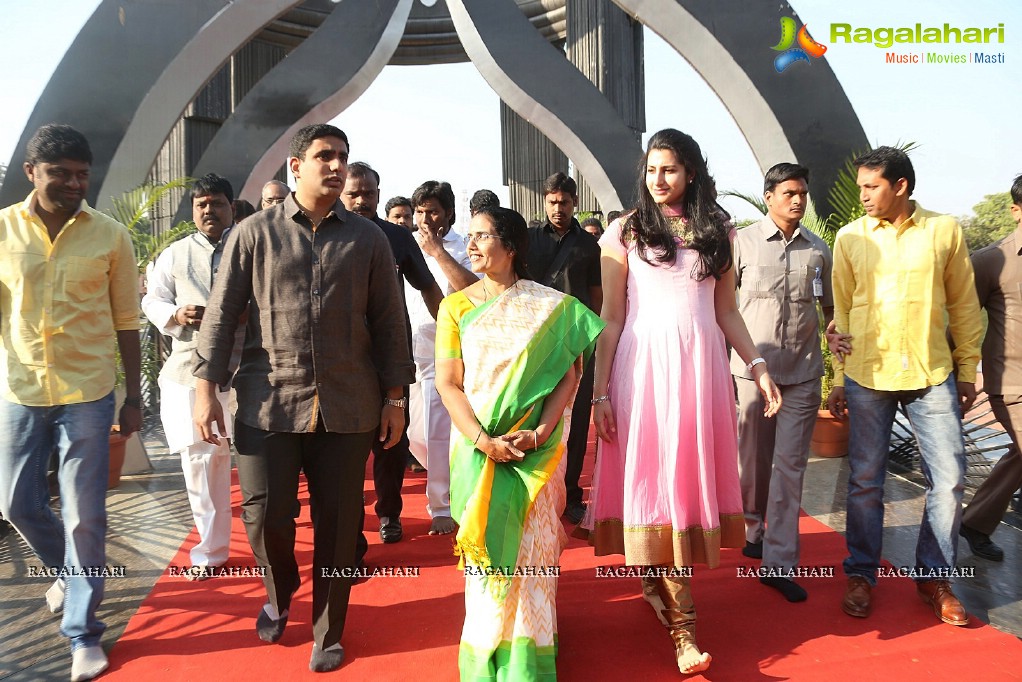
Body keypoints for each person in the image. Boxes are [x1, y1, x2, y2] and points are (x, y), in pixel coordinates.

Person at [193, 124, 414, 672]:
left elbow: (390, 321)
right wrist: (205, 390)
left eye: (342, 157)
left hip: (348, 405)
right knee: (266, 517)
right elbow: (221, 315)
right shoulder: (253, 235)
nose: (336, 166)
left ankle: (328, 628)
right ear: (296, 167)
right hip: (267, 402)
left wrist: (394, 397)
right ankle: (278, 587)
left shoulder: (369, 239)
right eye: (324, 157)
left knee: (340, 526)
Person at [584, 128, 781, 674]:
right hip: (643, 369)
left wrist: (757, 366)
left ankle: (658, 584)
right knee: (657, 483)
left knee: (680, 482)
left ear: (690, 171)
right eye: (651, 169)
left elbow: (727, 312)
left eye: (669, 169)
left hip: (700, 371)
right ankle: (684, 631)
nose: (658, 179)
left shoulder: (719, 229)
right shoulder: (624, 231)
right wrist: (600, 391)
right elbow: (612, 319)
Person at [434, 206, 604, 680]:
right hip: (478, 451)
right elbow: (449, 384)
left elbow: (569, 378)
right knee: (489, 556)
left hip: (537, 452)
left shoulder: (552, 307)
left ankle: (530, 655)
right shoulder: (457, 307)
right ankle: (486, 651)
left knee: (534, 553)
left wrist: (541, 433)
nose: (471, 245)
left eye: (482, 236)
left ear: (511, 247)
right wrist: (484, 441)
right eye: (470, 236)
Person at [0, 124, 142, 681]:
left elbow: (128, 320)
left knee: (85, 513)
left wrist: (134, 396)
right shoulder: (4, 231)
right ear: (33, 172)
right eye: (61, 173)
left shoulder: (109, 236)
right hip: (21, 389)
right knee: (15, 504)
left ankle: (83, 632)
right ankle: (68, 572)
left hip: (89, 390)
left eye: (82, 174)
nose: (74, 183)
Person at [826, 146, 981, 627]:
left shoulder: (944, 231)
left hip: (931, 372)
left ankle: (934, 579)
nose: (863, 195)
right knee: (865, 482)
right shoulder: (850, 238)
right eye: (861, 187)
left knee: (951, 479)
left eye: (872, 186)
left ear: (901, 186)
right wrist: (837, 376)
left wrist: (967, 370)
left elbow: (965, 306)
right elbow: (842, 313)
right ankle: (861, 574)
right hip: (867, 375)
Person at [730, 163, 832, 603]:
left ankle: (780, 561)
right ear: (768, 195)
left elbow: (831, 309)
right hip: (752, 373)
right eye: (789, 192)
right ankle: (753, 528)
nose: (798, 200)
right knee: (752, 462)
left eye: (803, 194)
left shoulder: (819, 250)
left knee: (790, 468)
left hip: (803, 375)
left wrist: (835, 334)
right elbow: (723, 310)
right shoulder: (741, 243)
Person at [142, 173, 243, 579]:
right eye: (200, 204)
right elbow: (152, 297)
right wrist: (174, 315)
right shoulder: (175, 253)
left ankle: (271, 544)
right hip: (189, 371)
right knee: (203, 462)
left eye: (216, 202)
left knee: (261, 462)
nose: (208, 210)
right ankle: (212, 552)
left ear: (231, 207)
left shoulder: (252, 242)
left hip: (252, 369)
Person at [341, 161, 443, 551]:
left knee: (390, 441)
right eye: (354, 194)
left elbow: (428, 287)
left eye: (369, 193)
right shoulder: (324, 236)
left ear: (379, 195)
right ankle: (349, 525)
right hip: (342, 360)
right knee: (346, 448)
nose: (362, 200)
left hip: (389, 357)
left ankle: (389, 514)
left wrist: (455, 334)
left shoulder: (397, 239)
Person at [527, 172, 603, 524]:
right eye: (553, 202)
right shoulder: (527, 240)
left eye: (566, 202)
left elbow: (597, 298)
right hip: (535, 344)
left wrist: (588, 341)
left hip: (576, 347)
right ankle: (537, 490)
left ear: (575, 204)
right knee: (537, 419)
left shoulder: (589, 246)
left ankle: (572, 495)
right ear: (545, 202)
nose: (559, 208)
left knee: (577, 423)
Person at [406, 180, 478, 536]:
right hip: (408, 351)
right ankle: (449, 481)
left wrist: (437, 253)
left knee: (435, 430)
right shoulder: (405, 244)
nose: (424, 219)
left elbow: (471, 293)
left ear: (449, 213)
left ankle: (442, 506)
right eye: (419, 211)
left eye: (432, 211)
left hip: (445, 353)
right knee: (414, 434)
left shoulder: (465, 247)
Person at [958, 175, 1022, 561]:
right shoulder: (989, 260)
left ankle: (975, 522)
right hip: (1012, 382)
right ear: (1016, 211)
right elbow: (961, 323)